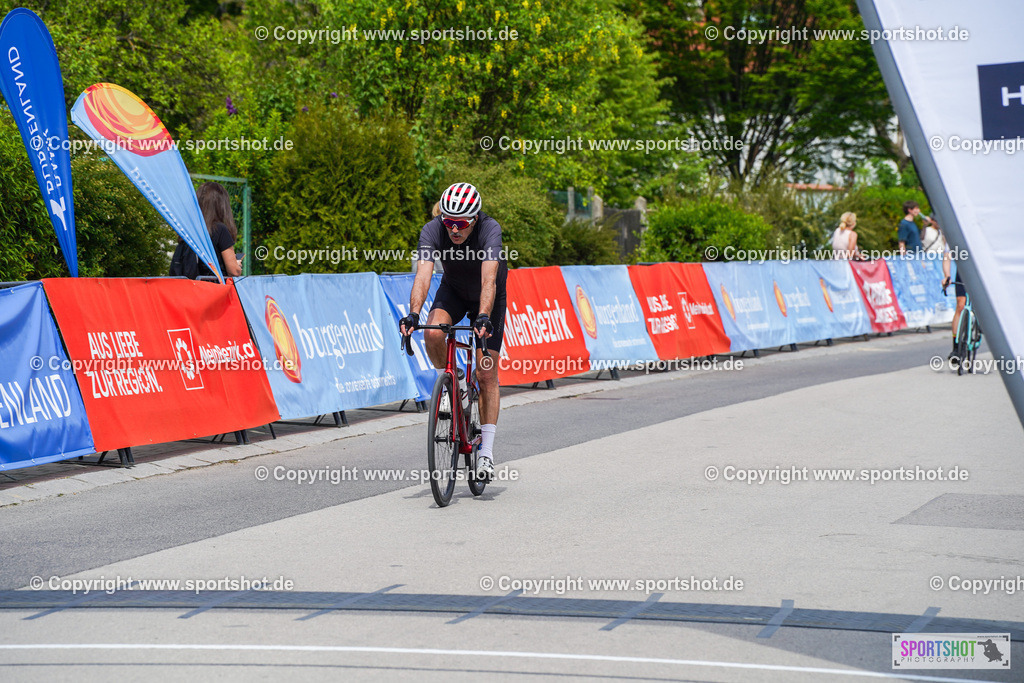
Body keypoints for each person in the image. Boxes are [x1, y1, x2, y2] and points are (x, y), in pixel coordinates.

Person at [399, 183, 508, 479]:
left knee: (486, 372)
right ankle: (452, 383)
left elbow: (489, 281)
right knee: (433, 332)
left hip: (489, 299)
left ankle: (485, 453)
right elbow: (423, 275)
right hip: (455, 291)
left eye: (460, 224)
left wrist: (483, 316)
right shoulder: (433, 229)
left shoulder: (490, 230)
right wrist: (412, 314)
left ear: (474, 220)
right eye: (448, 222)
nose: (453, 230)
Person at [941, 247, 967, 366]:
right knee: (960, 304)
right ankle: (956, 348)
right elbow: (947, 255)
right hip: (963, 271)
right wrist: (947, 275)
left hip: (981, 269)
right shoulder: (956, 231)